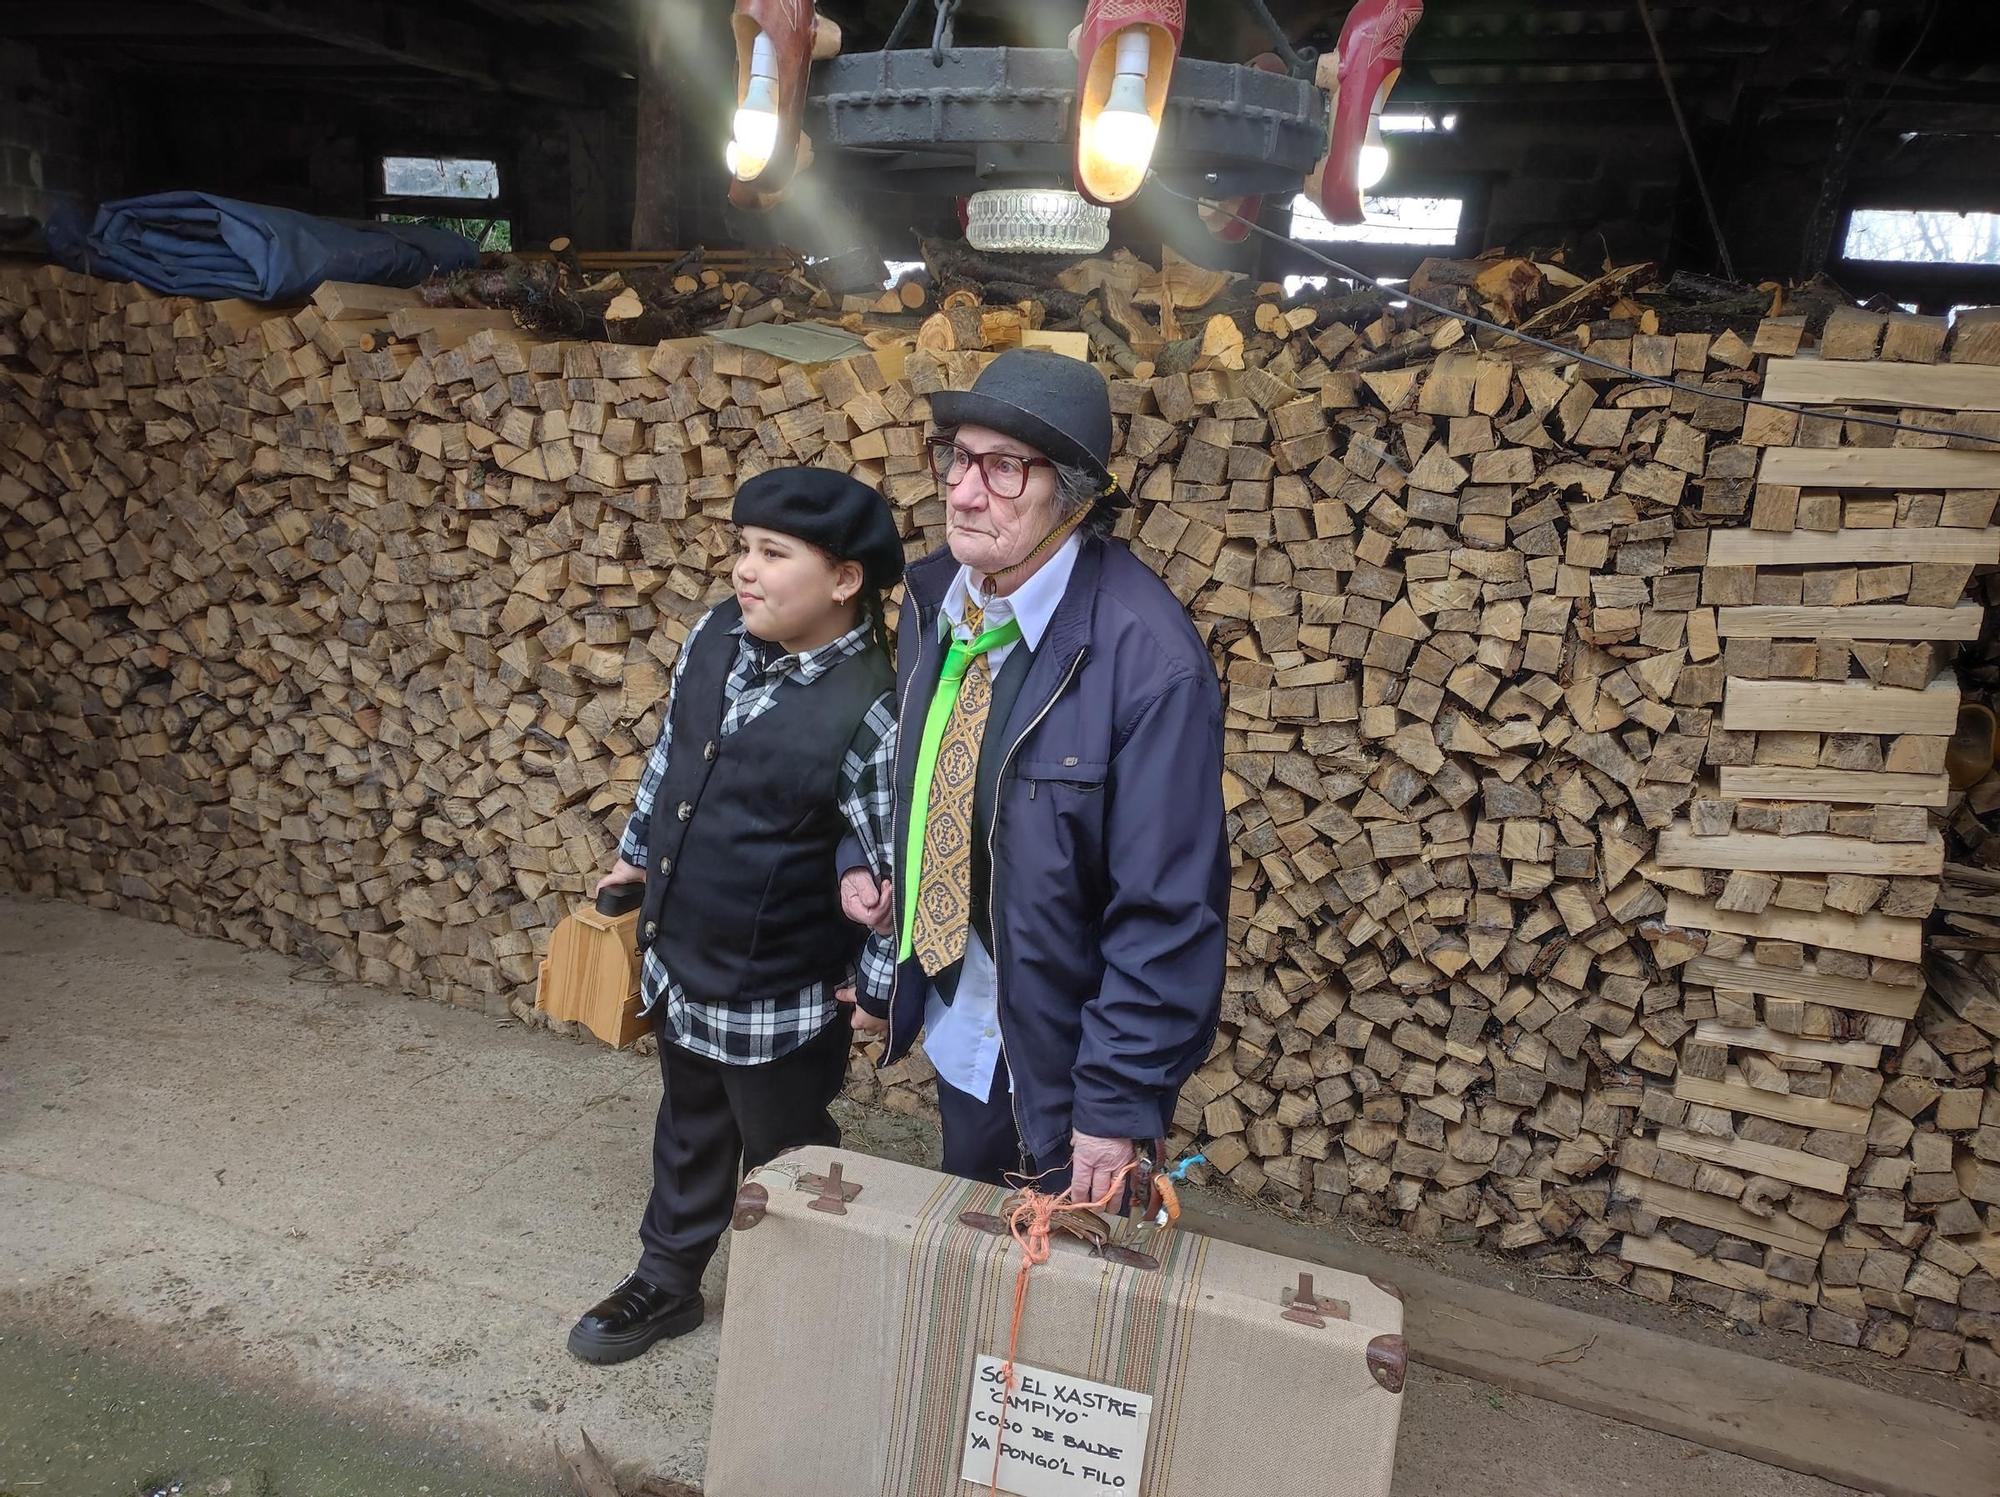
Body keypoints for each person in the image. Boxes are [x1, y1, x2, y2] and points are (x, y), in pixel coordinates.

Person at [841, 349, 1228, 1207]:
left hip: (1065, 1064)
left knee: (1061, 1288)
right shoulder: (941, 598)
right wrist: (863, 854)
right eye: (958, 456)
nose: (964, 490)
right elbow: (920, 757)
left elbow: (1167, 908)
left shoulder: (1150, 662)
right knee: (974, 1232)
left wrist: (1116, 1102)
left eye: (1005, 468)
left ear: (1074, 493)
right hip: (964, 1013)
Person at [569, 466, 903, 1365]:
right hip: (687, 953)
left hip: (782, 990)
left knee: (785, 1146)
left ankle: (805, 1297)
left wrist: (878, 989)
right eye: (741, 548)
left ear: (844, 580)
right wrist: (638, 854)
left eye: (772, 553)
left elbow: (889, 869)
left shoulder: (870, 707)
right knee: (688, 1122)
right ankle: (666, 1280)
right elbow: (672, 756)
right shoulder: (716, 633)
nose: (744, 571)